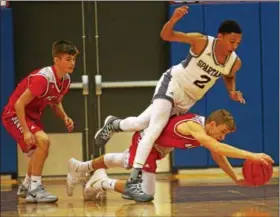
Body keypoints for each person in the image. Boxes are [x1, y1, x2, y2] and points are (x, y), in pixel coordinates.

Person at [94, 6, 246, 200]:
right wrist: (173, 19)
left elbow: (229, 75)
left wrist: (232, 91)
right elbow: (167, 35)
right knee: (155, 128)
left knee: (139, 123)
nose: (234, 46)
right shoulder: (201, 42)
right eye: (232, 41)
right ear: (220, 36)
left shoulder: (234, 62)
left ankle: (114, 124)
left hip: (188, 99)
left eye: (238, 43)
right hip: (173, 85)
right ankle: (134, 176)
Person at [67, 109, 274, 202]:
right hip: (148, 141)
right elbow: (218, 149)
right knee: (145, 193)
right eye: (222, 132)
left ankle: (81, 167)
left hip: (158, 147)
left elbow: (218, 155)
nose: (222, 137)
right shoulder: (194, 127)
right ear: (212, 125)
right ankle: (101, 182)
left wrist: (235, 177)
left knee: (123, 160)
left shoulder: (206, 132)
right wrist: (252, 156)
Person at [1, 40, 79, 203]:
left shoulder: (65, 80)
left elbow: (55, 102)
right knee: (43, 141)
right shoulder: (43, 78)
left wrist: (65, 117)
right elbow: (19, 104)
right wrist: (26, 130)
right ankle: (35, 189)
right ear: (56, 60)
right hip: (14, 113)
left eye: (73, 59)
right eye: (68, 59)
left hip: (31, 116)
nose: (72, 63)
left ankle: (26, 186)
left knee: (40, 149)